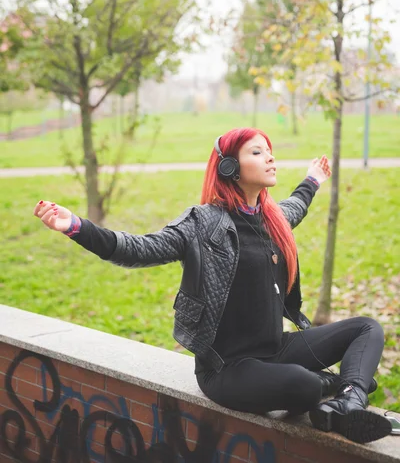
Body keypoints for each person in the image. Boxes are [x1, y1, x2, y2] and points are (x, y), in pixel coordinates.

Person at [33, 127, 392, 444]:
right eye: (257, 152)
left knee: (366, 328)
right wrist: (76, 226)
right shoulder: (202, 223)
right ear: (229, 168)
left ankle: (349, 402)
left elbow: (297, 204)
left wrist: (313, 178)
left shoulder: (273, 219)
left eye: (270, 152)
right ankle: (329, 387)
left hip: (276, 348)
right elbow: (138, 248)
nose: (270, 159)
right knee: (305, 384)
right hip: (228, 368)